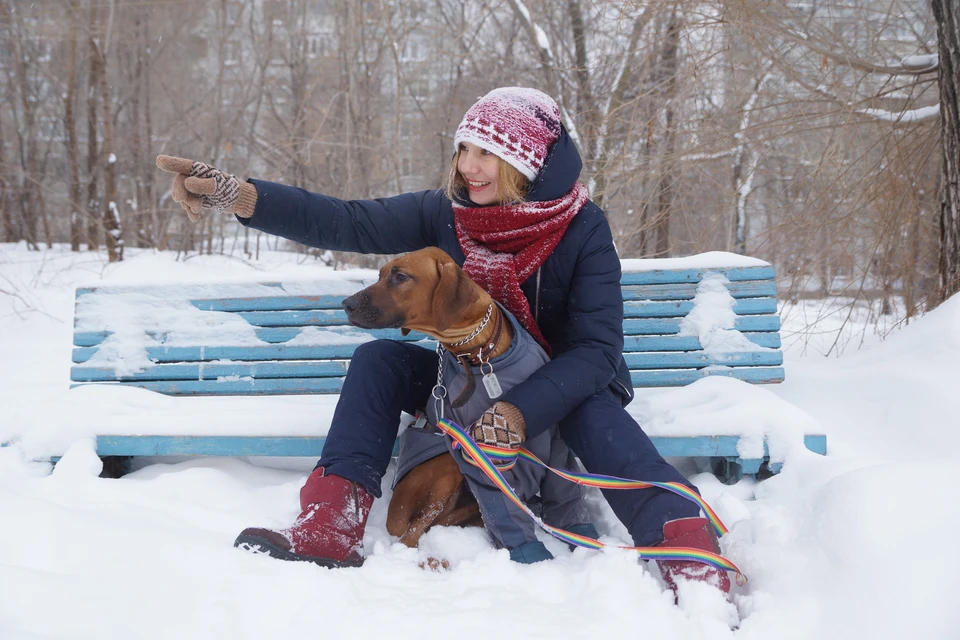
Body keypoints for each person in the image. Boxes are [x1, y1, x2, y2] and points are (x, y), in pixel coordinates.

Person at [156, 87, 730, 596]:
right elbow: (347, 221)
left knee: (598, 421)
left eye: (487, 153)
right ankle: (331, 518)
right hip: (467, 377)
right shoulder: (446, 213)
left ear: (525, 164)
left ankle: (681, 541)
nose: (468, 166)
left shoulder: (581, 227)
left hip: (561, 380)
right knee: (378, 360)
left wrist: (518, 409)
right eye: (464, 149)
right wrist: (239, 195)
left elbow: (597, 352)